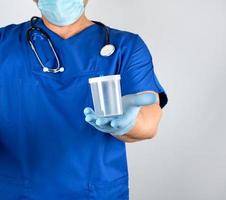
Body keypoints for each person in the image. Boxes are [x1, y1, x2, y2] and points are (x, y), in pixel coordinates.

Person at [0, 0, 168, 199]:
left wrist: (126, 123)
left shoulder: (126, 46)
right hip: (15, 191)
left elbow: (149, 123)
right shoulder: (4, 43)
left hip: (96, 192)